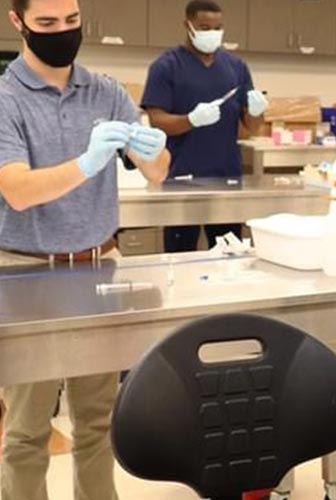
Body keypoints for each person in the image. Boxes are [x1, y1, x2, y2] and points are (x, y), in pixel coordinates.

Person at [0, 0, 171, 498]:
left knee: (98, 423)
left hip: (98, 268)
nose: (62, 32)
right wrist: (88, 162)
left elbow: (158, 172)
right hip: (27, 273)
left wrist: (152, 148)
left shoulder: (106, 91)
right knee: (27, 431)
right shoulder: (6, 98)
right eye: (47, 23)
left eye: (71, 21)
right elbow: (17, 190)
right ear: (18, 23)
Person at [141, 0, 268, 252]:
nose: (212, 33)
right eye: (204, 27)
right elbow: (156, 120)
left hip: (226, 178)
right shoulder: (166, 66)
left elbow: (252, 127)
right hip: (180, 178)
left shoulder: (236, 68)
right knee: (180, 255)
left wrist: (257, 112)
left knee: (229, 255)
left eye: (217, 28)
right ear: (187, 25)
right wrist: (191, 120)